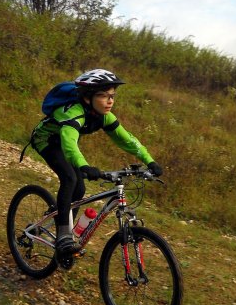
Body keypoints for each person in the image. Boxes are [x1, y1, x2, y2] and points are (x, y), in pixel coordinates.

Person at [31, 69, 163, 256]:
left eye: (112, 96)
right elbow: (69, 143)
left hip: (65, 144)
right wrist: (84, 166)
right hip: (46, 141)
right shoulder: (74, 112)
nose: (110, 101)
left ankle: (60, 217)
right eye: (103, 95)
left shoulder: (104, 116)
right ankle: (63, 236)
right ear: (87, 97)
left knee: (80, 189)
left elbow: (126, 140)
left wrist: (150, 161)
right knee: (70, 178)